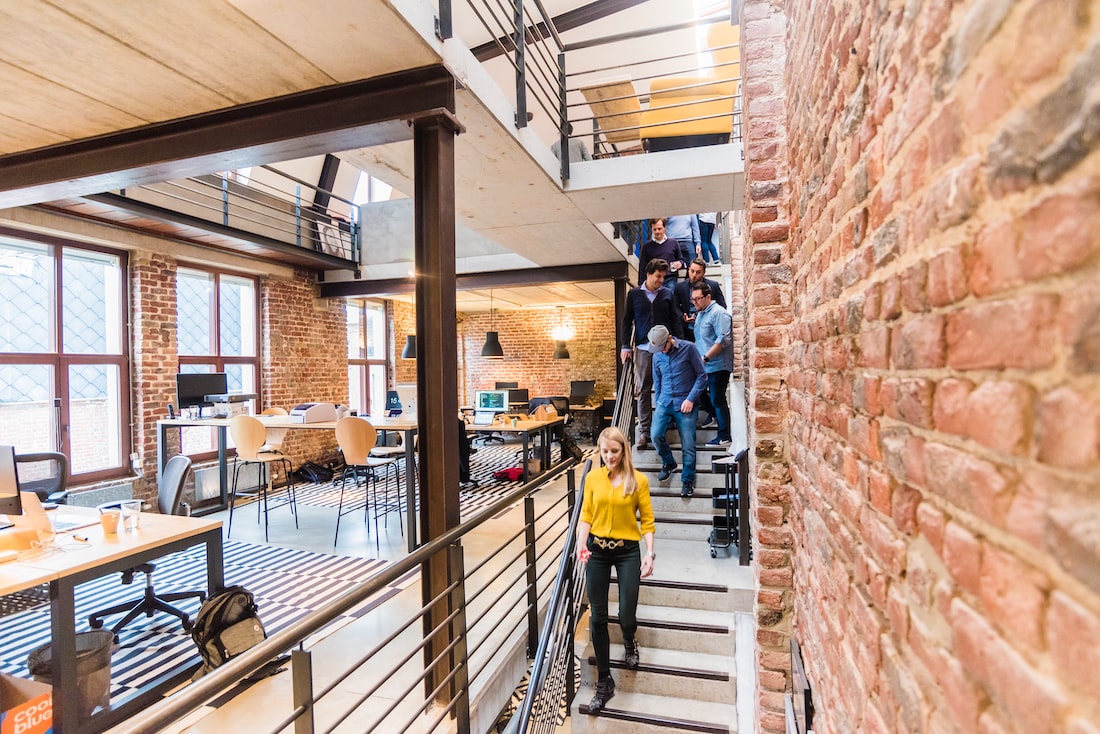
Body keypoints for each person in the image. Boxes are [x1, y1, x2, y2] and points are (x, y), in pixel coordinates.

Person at [577, 426, 655, 713]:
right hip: (597, 551)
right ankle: (604, 680)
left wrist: (650, 553)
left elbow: (647, 521)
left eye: (614, 451)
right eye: (604, 451)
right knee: (597, 615)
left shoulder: (639, 481)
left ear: (624, 451)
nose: (609, 456)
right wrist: (580, 543)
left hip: (627, 552)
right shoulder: (593, 479)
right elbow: (586, 514)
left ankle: (629, 640)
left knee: (626, 612)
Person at [621, 259, 681, 449]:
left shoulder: (667, 294)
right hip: (643, 349)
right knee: (644, 390)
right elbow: (626, 321)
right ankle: (644, 433)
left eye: (664, 277)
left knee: (666, 389)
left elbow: (674, 319)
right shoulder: (634, 295)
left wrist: (677, 341)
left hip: (665, 350)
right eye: (658, 276)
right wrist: (625, 346)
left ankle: (663, 427)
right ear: (648, 274)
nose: (661, 280)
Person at [647, 324, 707, 497]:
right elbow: (657, 380)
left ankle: (687, 480)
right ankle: (669, 463)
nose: (661, 351)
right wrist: (658, 402)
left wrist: (691, 399)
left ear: (670, 339)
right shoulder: (657, 355)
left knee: (688, 444)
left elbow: (702, 376)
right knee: (655, 435)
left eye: (662, 347)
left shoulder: (689, 349)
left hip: (685, 402)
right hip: (665, 402)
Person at [692, 282, 734, 447]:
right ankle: (714, 415)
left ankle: (724, 436)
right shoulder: (701, 314)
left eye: (698, 299)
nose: (694, 302)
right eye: (693, 300)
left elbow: (723, 340)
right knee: (699, 392)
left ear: (708, 297)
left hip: (717, 364)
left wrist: (705, 358)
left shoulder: (719, 313)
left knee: (718, 398)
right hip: (704, 365)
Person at [671, 258, 728, 342]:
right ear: (688, 269)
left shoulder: (713, 286)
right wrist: (683, 316)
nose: (694, 275)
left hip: (708, 329)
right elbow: (675, 307)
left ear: (704, 273)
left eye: (698, 272)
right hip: (687, 330)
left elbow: (722, 306)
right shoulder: (680, 287)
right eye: (692, 271)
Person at [638, 218, 689, 291]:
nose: (657, 231)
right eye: (654, 229)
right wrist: (641, 285)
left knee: (668, 298)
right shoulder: (647, 247)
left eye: (659, 229)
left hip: (670, 278)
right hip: (653, 280)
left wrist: (680, 263)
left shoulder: (673, 243)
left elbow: (681, 260)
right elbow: (642, 267)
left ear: (665, 228)